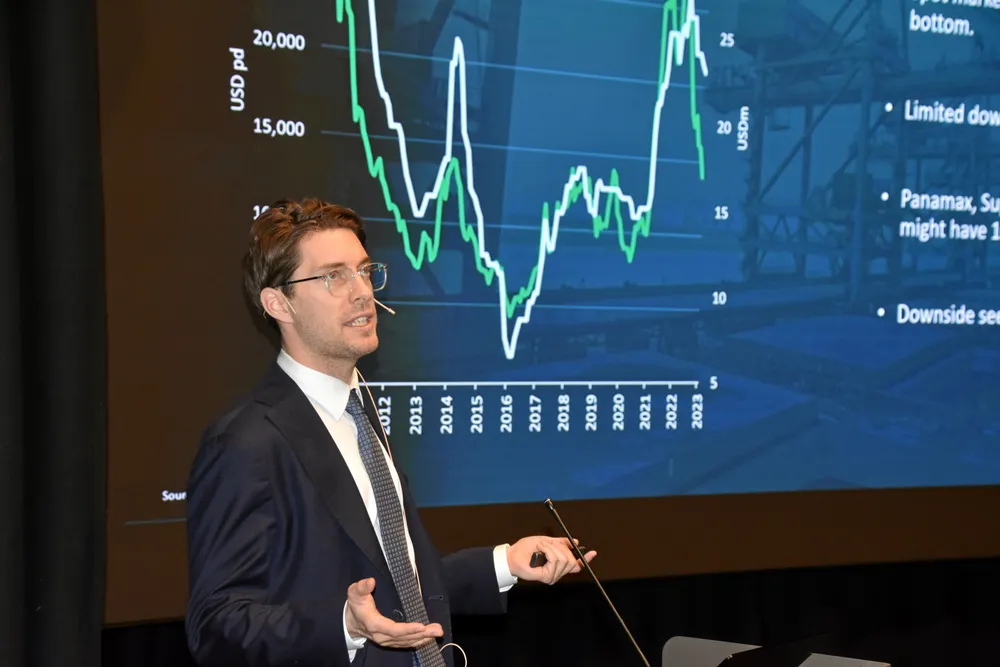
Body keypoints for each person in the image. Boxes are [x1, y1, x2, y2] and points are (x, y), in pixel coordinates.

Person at [184, 198, 597, 667]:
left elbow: (398, 582)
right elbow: (215, 624)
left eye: (364, 271)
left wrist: (505, 562)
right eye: (333, 277)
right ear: (278, 303)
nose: (362, 291)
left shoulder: (360, 411)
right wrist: (345, 625)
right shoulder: (246, 442)